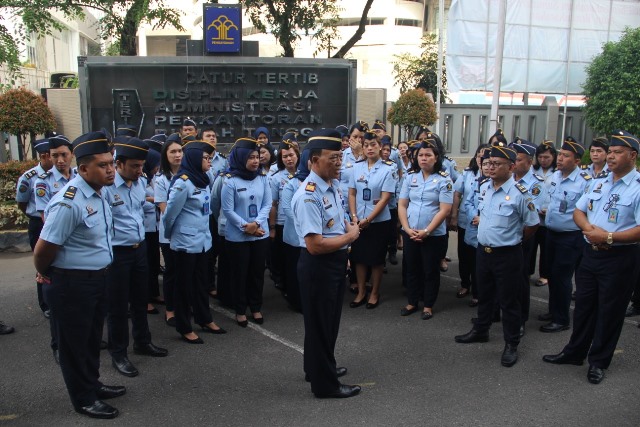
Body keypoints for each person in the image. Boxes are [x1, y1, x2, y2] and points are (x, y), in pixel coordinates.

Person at [33, 130, 124, 419]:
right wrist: (47, 274)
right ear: (83, 169)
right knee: (74, 344)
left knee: (91, 339)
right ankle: (83, 398)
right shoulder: (68, 202)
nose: (111, 169)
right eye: (103, 165)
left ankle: (92, 384)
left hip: (97, 279)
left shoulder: (99, 193)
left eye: (111, 163)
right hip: (71, 283)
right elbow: (43, 249)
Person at [543, 130, 640, 384]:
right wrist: (589, 231)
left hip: (619, 257)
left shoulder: (638, 188)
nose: (610, 156)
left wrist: (608, 237)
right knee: (584, 306)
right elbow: (578, 210)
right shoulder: (599, 182)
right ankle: (574, 352)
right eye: (610, 152)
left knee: (610, 311)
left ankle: (599, 361)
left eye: (617, 152)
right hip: (590, 253)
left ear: (632, 156)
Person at [455, 144, 539, 368]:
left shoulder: (520, 194)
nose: (490, 167)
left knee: (508, 301)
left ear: (511, 167)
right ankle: (481, 330)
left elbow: (532, 225)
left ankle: (511, 343)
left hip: (508, 254)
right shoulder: (484, 187)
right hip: (484, 251)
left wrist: (512, 239)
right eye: (488, 163)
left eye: (496, 164)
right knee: (484, 294)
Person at [292, 128, 361, 399]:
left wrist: (348, 227)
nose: (338, 163)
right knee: (322, 325)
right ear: (313, 160)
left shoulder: (331, 186)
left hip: (332, 262)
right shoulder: (309, 194)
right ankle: (325, 385)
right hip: (319, 264)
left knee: (325, 323)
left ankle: (316, 368)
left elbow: (339, 216)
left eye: (340, 157)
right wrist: (350, 236)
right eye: (332, 158)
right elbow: (315, 244)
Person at [104, 137, 168, 377]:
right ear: (118, 164)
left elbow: (140, 209)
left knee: (140, 299)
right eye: (134, 166)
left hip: (139, 249)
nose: (140, 170)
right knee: (118, 307)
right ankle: (118, 354)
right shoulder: (108, 188)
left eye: (141, 165)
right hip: (117, 254)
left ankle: (142, 341)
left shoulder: (140, 183)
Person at [164, 141, 227, 343]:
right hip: (185, 243)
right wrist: (171, 236)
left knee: (201, 283)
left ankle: (204, 318)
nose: (210, 161)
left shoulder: (204, 178)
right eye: (206, 158)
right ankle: (184, 326)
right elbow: (169, 215)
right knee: (184, 286)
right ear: (194, 159)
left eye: (210, 158)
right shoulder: (183, 183)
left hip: (203, 241)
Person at [398, 137, 453, 320]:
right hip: (411, 232)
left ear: (436, 158)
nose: (423, 158)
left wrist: (427, 231)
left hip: (433, 235)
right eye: (420, 155)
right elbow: (403, 205)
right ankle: (412, 301)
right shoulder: (410, 177)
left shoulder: (444, 180)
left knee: (430, 270)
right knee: (412, 268)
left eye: (428, 155)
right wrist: (406, 228)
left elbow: (445, 210)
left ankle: (428, 305)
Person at [540, 137, 591, 333]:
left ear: (577, 161)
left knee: (562, 277)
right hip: (551, 233)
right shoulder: (555, 177)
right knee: (552, 274)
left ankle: (561, 319)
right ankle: (553, 311)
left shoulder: (584, 182)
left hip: (570, 236)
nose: (559, 159)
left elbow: (588, 212)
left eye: (565, 156)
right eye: (559, 154)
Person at [221, 138, 272, 327]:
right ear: (241, 158)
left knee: (257, 273)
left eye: (257, 157)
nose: (255, 161)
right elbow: (228, 210)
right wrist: (246, 227)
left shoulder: (263, 178)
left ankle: (256, 307)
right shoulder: (230, 181)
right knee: (240, 274)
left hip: (260, 233)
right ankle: (240, 310)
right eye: (251, 157)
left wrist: (256, 223)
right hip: (238, 236)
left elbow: (267, 204)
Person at [348, 132, 397, 309]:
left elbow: (385, 199)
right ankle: (361, 292)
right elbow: (352, 193)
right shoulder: (356, 167)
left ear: (380, 147)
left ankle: (374, 292)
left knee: (376, 259)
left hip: (379, 222)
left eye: (373, 145)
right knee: (359, 258)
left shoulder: (388, 169)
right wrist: (354, 217)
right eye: (366, 144)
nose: (369, 148)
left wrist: (369, 218)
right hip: (359, 220)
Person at [510, 139, 546, 336]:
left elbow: (533, 217)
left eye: (518, 159)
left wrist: (520, 237)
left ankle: (521, 318)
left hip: (523, 237)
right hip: (504, 237)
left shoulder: (536, 184)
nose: (514, 162)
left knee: (520, 279)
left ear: (530, 161)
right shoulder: (508, 178)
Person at [15, 138, 53, 318]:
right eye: (53, 155)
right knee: (43, 263)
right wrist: (34, 216)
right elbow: (22, 203)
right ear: (45, 156)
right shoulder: (29, 177)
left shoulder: (65, 175)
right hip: (38, 223)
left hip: (56, 222)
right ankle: (46, 304)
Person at [450, 144, 490, 302]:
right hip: (466, 220)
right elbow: (457, 194)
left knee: (478, 258)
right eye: (479, 156)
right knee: (464, 255)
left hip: (485, 225)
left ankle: (478, 290)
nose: (482, 159)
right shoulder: (468, 174)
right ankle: (465, 283)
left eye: (485, 157)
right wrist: (453, 215)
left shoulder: (493, 177)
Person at [154, 134, 182, 327]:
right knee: (172, 273)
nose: (177, 155)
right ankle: (171, 309)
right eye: (173, 151)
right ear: (166, 155)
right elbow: (164, 208)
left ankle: (184, 306)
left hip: (188, 233)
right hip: (170, 234)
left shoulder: (191, 174)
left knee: (186, 272)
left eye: (180, 151)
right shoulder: (161, 179)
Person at [269, 134, 300, 297]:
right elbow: (273, 205)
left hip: (301, 223)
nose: (289, 159)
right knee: (285, 258)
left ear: (297, 155)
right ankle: (287, 288)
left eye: (291, 155)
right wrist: (272, 228)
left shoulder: (304, 173)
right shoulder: (276, 178)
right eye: (285, 156)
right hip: (282, 223)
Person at [531, 141, 557, 288]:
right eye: (540, 157)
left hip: (549, 216)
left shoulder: (558, 173)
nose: (543, 160)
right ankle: (528, 270)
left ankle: (544, 275)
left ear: (553, 156)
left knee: (546, 249)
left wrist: (550, 208)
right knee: (531, 246)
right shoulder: (533, 171)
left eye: (547, 157)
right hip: (535, 214)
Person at [35, 135, 76, 219]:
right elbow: (45, 216)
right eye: (55, 156)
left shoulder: (79, 177)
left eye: (64, 155)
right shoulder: (43, 182)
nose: (60, 160)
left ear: (72, 154)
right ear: (49, 157)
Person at [142, 148, 163, 315]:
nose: (157, 168)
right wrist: (156, 201)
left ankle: (155, 293)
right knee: (146, 264)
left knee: (155, 262)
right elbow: (139, 202)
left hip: (156, 226)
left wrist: (155, 200)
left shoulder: (154, 178)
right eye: (155, 165)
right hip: (145, 228)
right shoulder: (140, 179)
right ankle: (146, 299)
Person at [380, 137, 400, 266]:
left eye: (388, 150)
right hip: (377, 204)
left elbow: (396, 182)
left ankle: (392, 252)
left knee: (392, 231)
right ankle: (381, 259)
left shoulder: (392, 165)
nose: (386, 152)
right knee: (382, 235)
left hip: (390, 204)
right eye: (384, 149)